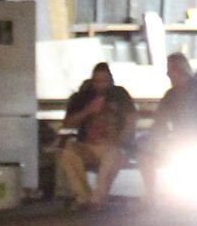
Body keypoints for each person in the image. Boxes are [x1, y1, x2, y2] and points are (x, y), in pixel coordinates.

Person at [53, 61, 136, 210]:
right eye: (97, 81)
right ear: (92, 81)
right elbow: (67, 123)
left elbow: (131, 121)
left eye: (104, 81)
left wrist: (122, 142)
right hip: (87, 146)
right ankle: (83, 197)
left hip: (112, 146)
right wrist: (88, 111)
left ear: (111, 80)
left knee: (112, 156)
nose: (101, 85)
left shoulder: (120, 95)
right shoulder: (82, 97)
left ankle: (98, 198)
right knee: (67, 153)